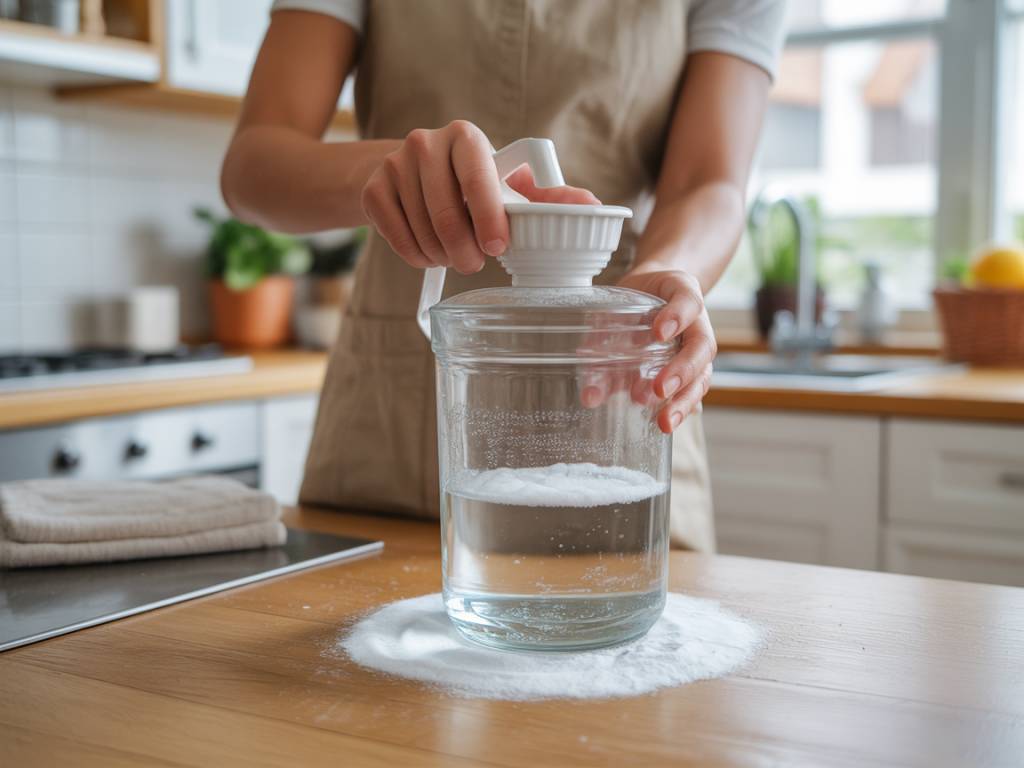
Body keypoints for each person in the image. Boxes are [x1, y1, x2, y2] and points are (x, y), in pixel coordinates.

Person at [221, 0, 788, 551]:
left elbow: (709, 182)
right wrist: (393, 175)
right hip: (389, 418)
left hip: (622, 379)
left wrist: (666, 271)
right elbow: (253, 166)